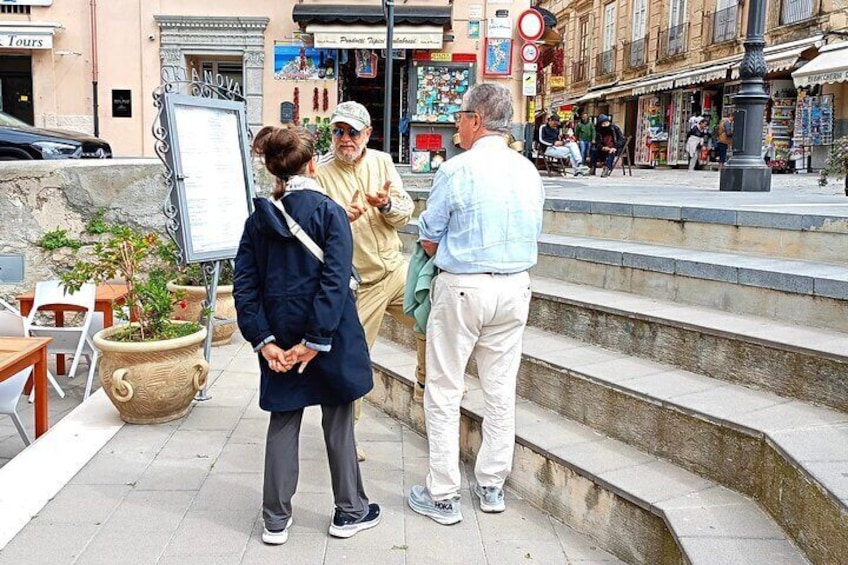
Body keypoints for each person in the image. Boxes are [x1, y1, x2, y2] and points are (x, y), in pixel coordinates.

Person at [234, 125, 381, 546]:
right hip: (330, 334)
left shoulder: (257, 221)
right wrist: (315, 341)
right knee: (339, 421)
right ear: (313, 164)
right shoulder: (329, 213)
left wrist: (265, 342)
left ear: (273, 169)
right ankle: (349, 511)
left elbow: (245, 286)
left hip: (278, 337)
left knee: (283, 421)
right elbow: (334, 282)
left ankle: (275, 520)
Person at [406, 83, 545, 525]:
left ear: (476, 119)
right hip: (515, 287)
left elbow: (429, 233)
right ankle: (490, 485)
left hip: (464, 286)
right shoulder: (529, 171)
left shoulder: (457, 170)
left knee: (445, 389)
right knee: (500, 389)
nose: (456, 126)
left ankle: (443, 493)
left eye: (460, 117)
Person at [314, 102, 426, 455]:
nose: (344, 139)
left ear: (367, 133)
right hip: (357, 283)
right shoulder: (320, 171)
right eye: (338, 131)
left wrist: (386, 206)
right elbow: (310, 229)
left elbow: (405, 213)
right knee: (350, 361)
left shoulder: (381, 161)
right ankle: (346, 438)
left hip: (393, 269)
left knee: (434, 313)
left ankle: (425, 381)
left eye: (352, 132)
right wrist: (339, 218)